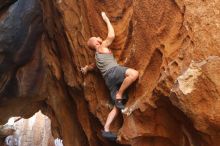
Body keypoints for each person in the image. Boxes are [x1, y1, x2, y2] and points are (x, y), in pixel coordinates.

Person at [81, 12, 139, 140]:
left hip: (108, 80)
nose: (98, 37)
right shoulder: (101, 47)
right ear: (97, 43)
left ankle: (106, 129)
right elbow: (111, 36)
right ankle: (120, 94)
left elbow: (91, 67)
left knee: (116, 107)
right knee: (134, 74)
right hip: (114, 71)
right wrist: (106, 19)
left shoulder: (96, 58)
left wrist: (85, 69)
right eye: (96, 37)